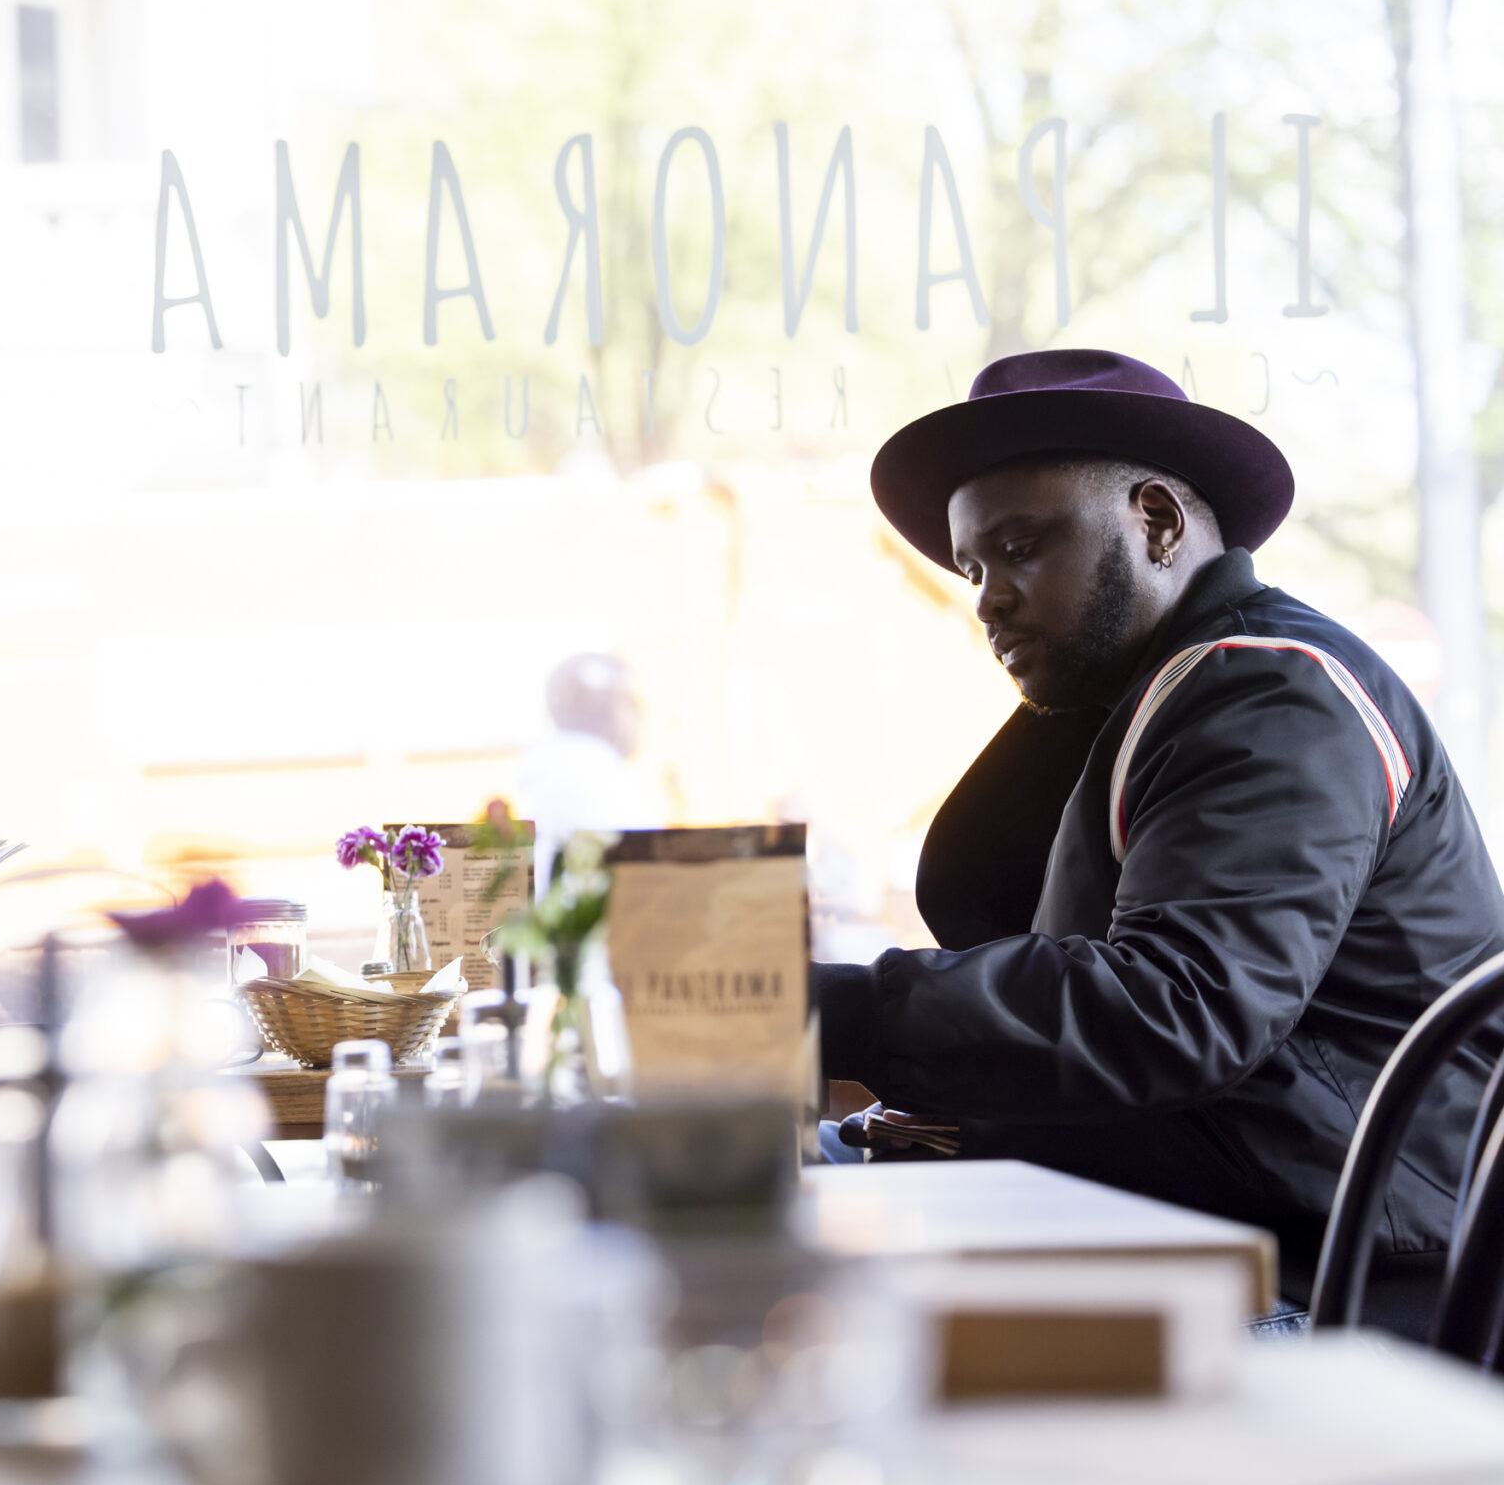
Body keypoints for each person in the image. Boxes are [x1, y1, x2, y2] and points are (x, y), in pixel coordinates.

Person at [813, 350, 1504, 1333]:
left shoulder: (1268, 692)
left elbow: (1178, 1005)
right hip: (1189, 1224)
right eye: (973, 567)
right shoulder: (1151, 698)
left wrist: (812, 1010)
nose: (986, 598)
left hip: (1316, 1286)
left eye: (1019, 546)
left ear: (1157, 522)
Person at [516, 651, 656, 883]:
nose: (641, 713)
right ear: (612, 710)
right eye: (633, 703)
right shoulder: (596, 777)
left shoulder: (554, 767)